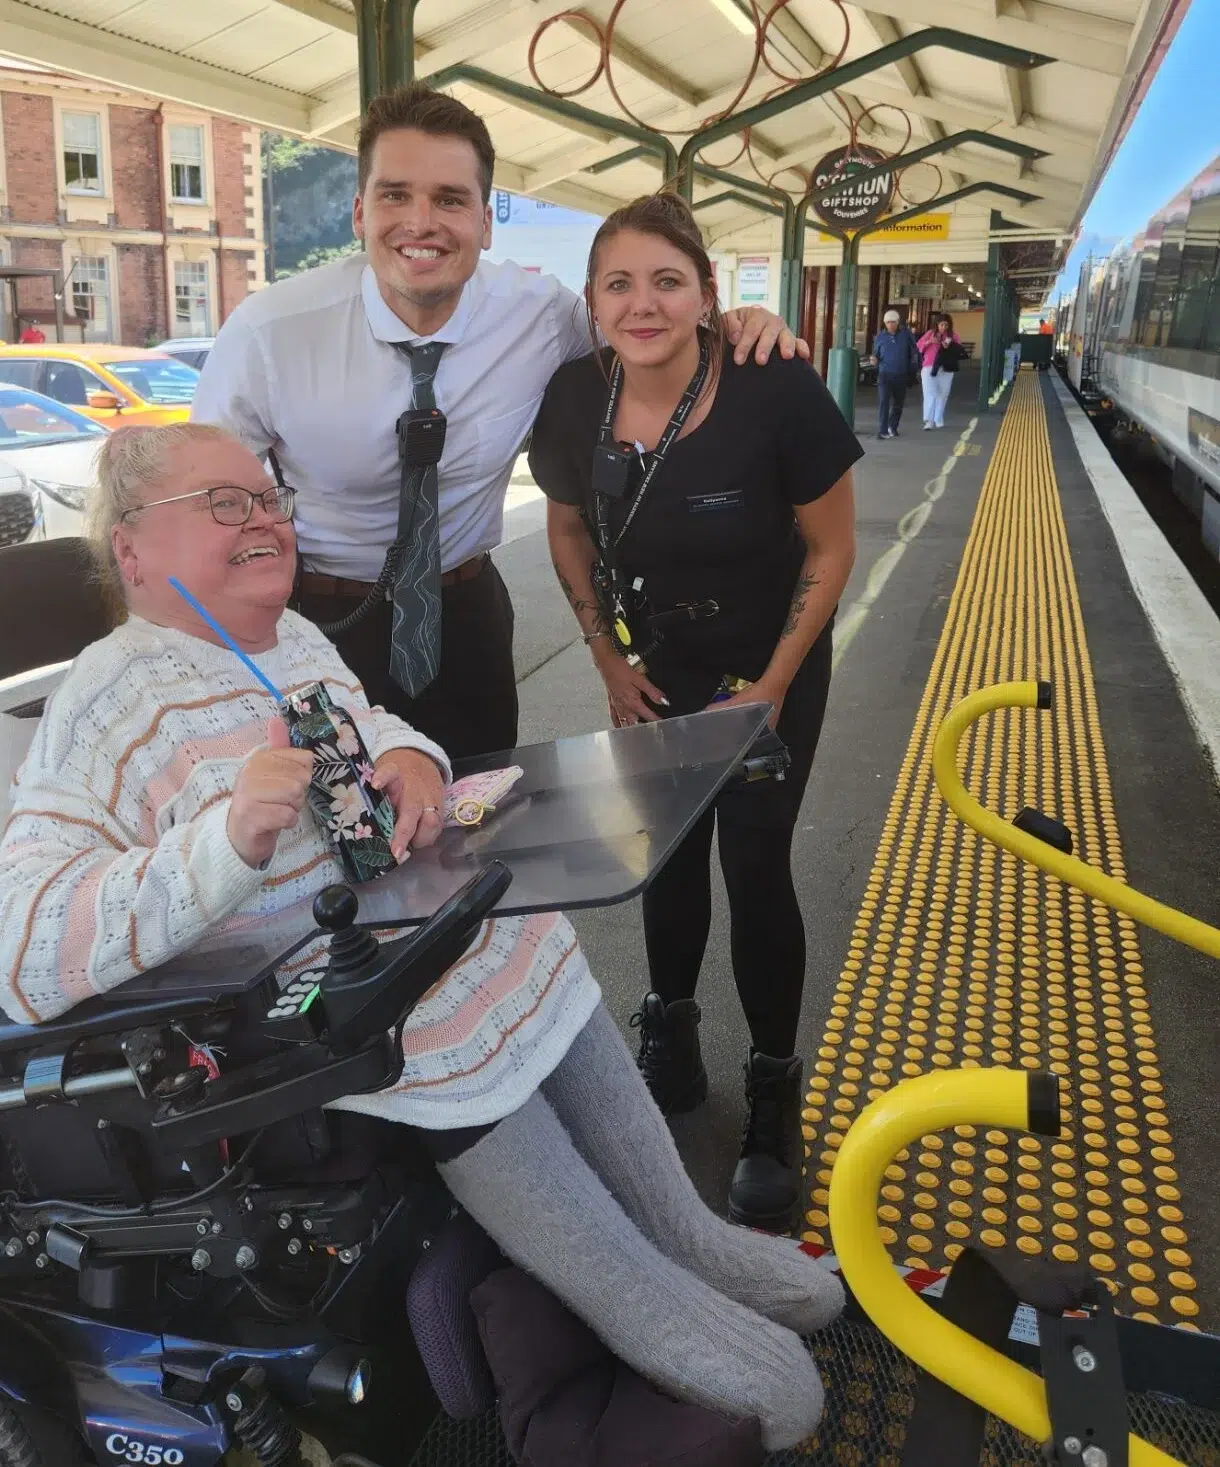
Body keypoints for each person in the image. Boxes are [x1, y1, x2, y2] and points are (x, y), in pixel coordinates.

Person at [0, 422, 844, 1450]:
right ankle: (635, 1288)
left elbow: (375, 725)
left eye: (268, 497)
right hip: (311, 1011)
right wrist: (219, 843)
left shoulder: (286, 640)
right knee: (441, 1007)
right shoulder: (105, 704)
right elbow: (14, 947)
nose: (263, 520)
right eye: (223, 504)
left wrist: (415, 761)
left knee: (521, 922)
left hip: (398, 927)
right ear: (132, 549)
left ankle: (688, 1236)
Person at [192, 84, 805, 763]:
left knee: (479, 819)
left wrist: (734, 328)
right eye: (396, 195)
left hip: (468, 619)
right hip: (323, 618)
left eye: (450, 199)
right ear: (360, 212)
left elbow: (644, 331)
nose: (421, 222)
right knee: (341, 836)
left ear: (486, 222)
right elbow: (197, 507)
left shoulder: (542, 315)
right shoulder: (269, 334)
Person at [528, 195, 859, 1234]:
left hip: (772, 666)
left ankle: (771, 1089)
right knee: (664, 855)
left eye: (667, 280)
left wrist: (769, 689)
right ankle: (670, 1033)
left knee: (756, 866)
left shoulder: (775, 386)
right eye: (619, 282)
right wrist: (607, 659)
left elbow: (832, 548)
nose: (643, 302)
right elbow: (571, 530)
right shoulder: (575, 396)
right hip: (654, 671)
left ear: (709, 297)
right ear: (592, 302)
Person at [871, 307, 919, 440]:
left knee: (898, 403)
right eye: (888, 322)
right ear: (884, 323)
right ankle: (882, 430)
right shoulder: (880, 337)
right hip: (885, 374)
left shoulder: (906, 334)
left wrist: (914, 369)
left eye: (893, 322)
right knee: (884, 402)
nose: (891, 325)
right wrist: (874, 359)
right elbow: (876, 353)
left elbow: (914, 352)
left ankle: (893, 426)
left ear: (898, 322)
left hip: (901, 374)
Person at [917, 312, 963, 430]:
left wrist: (949, 346)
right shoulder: (930, 334)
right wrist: (929, 342)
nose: (943, 328)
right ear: (937, 324)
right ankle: (929, 420)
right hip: (929, 367)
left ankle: (939, 418)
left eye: (946, 325)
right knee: (929, 393)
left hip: (946, 368)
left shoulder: (953, 335)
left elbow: (959, 351)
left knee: (943, 393)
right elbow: (918, 346)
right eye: (941, 325)